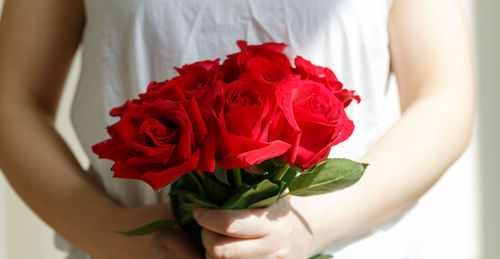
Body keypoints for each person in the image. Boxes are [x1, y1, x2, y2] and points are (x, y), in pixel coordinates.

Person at [0, 0, 474, 258]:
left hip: (354, 246)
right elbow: (12, 101)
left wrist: (311, 228)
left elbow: (443, 100)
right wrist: (106, 230)